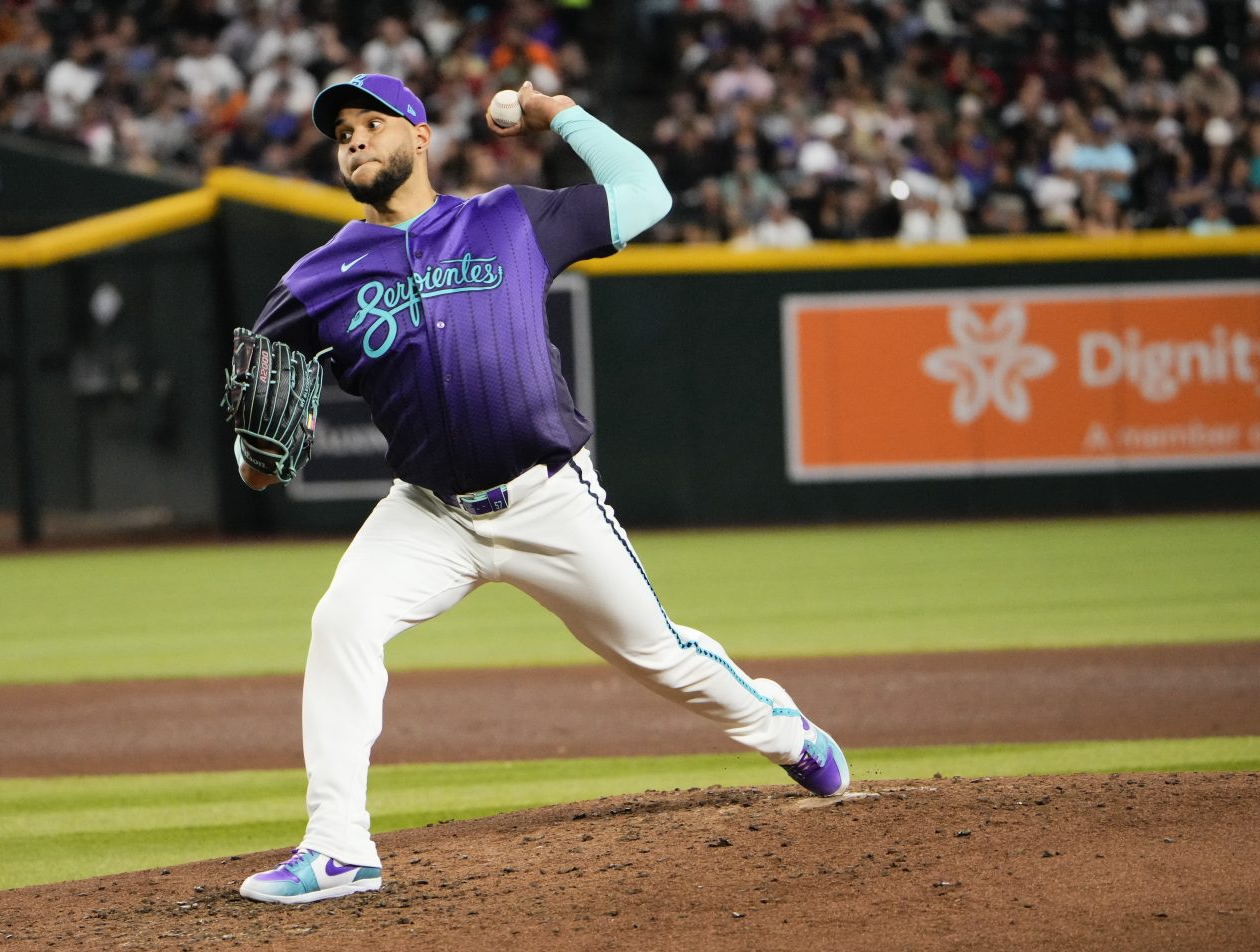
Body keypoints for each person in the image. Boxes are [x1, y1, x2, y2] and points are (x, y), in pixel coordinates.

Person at [231, 73, 849, 905]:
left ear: (420, 137)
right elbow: (256, 426)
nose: (352, 139)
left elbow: (646, 193)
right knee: (340, 623)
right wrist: (258, 457)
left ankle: (784, 731)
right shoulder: (318, 277)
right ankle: (339, 848)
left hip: (548, 497)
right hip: (428, 512)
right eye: (340, 130)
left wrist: (560, 114)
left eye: (371, 123)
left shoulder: (508, 219)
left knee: (659, 655)